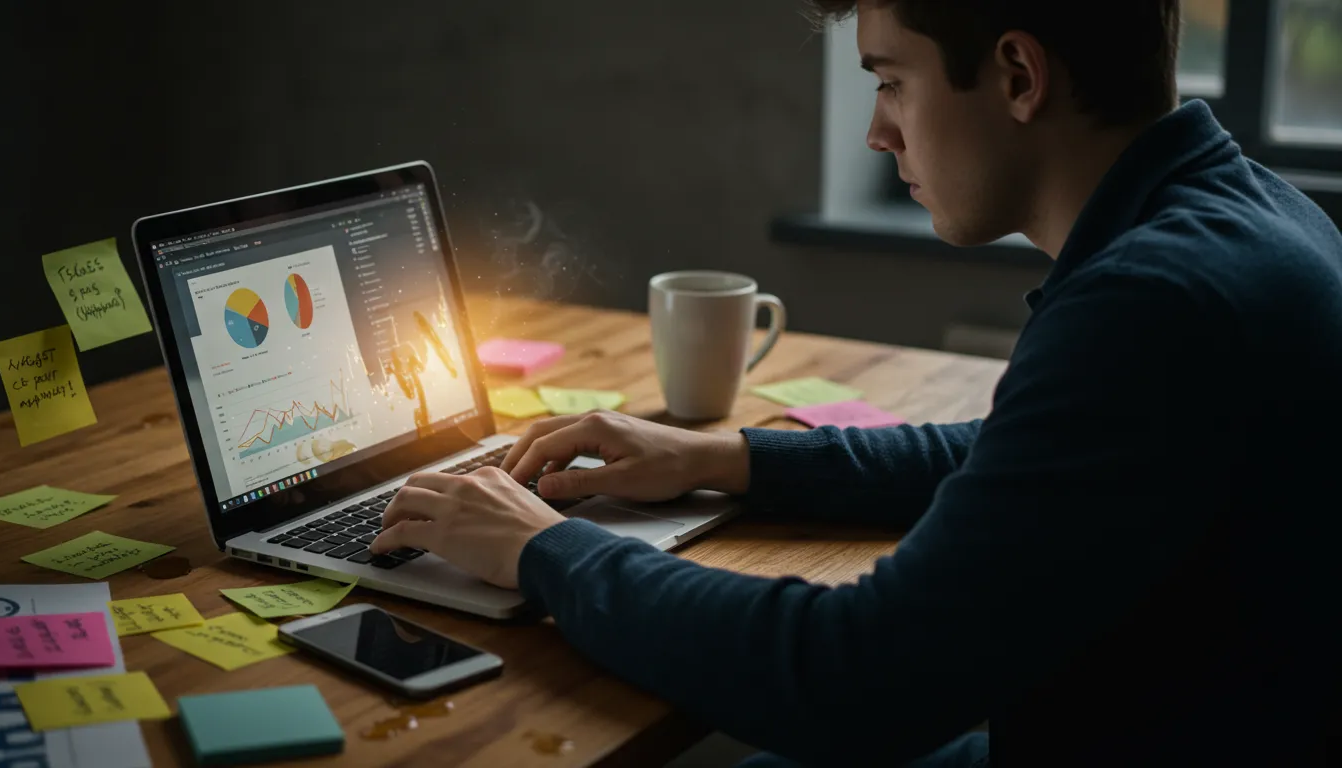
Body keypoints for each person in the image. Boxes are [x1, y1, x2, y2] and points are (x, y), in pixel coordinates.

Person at [373, 0, 1342, 764]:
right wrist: (725, 458)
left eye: (891, 82)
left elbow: (849, 681)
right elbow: (1018, 456)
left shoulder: (1149, 305)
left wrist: (545, 551)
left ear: (1016, 74)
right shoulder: (1256, 218)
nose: (878, 133)